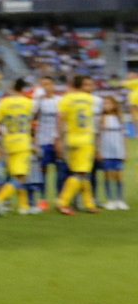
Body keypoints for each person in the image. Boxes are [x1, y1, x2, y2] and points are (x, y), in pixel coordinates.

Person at [0, 79, 36, 215]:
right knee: (21, 177)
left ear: (12, 87)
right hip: (23, 142)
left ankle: (23, 206)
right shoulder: (29, 103)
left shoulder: (3, 103)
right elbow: (32, 122)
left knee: (16, 175)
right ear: (23, 89)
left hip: (8, 143)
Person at [55, 75, 99, 214]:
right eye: (88, 85)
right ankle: (63, 202)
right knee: (81, 173)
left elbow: (60, 120)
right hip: (85, 139)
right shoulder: (90, 99)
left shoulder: (65, 99)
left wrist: (59, 139)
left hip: (71, 138)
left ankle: (89, 203)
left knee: (80, 173)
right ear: (82, 86)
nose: (90, 88)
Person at [32, 76, 64, 209]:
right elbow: (32, 118)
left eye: (48, 84)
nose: (46, 87)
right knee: (43, 171)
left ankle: (59, 198)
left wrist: (59, 138)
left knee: (60, 170)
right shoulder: (38, 102)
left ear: (53, 85)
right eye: (43, 84)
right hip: (42, 139)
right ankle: (43, 198)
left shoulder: (60, 101)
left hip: (57, 140)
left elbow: (62, 121)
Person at [98, 95, 127, 209]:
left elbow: (124, 136)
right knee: (107, 174)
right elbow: (99, 136)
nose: (107, 106)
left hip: (118, 150)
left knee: (118, 174)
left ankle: (120, 199)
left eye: (109, 103)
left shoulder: (119, 118)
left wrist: (125, 151)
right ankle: (110, 200)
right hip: (106, 151)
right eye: (104, 104)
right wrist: (99, 151)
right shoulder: (101, 119)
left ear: (114, 105)